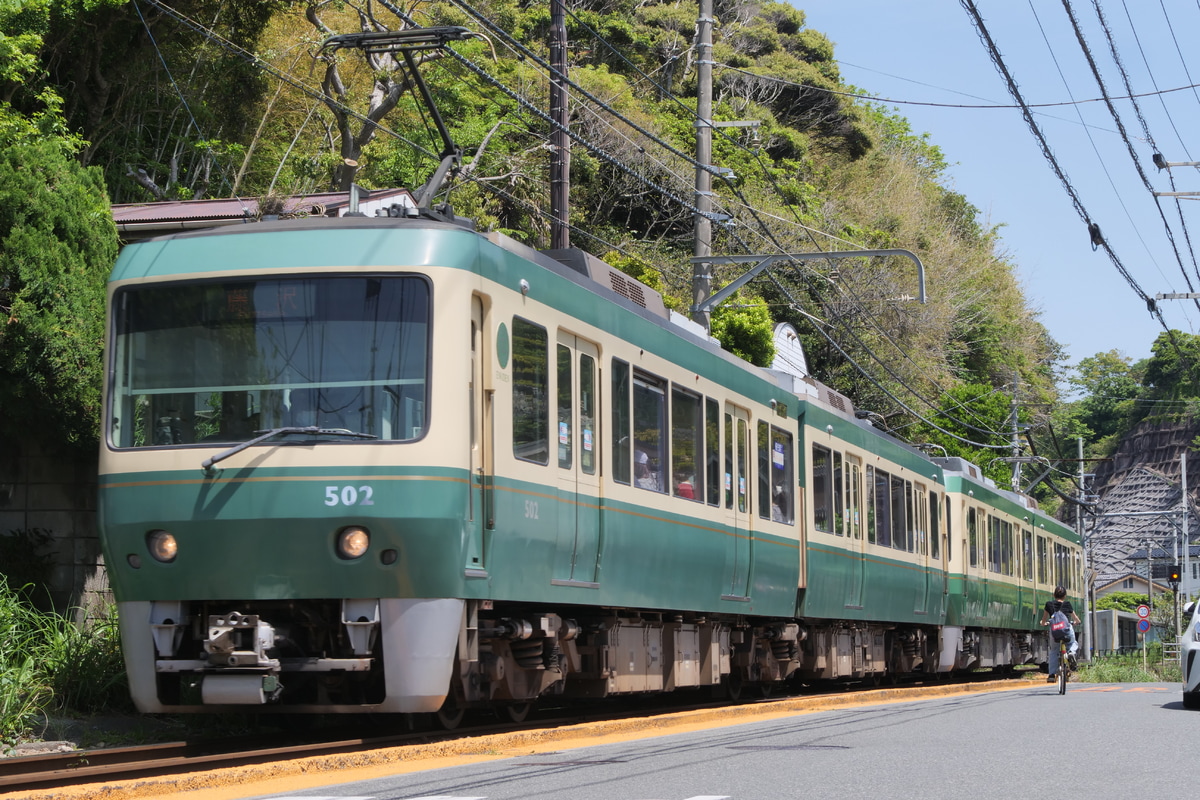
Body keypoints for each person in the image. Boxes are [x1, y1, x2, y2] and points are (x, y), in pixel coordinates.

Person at [1040, 584, 1081, 682]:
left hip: (1054, 631)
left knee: (1054, 651)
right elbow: (1076, 618)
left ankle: (1051, 675)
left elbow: (1043, 620)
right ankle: (1071, 653)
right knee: (1072, 643)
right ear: (1065, 596)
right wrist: (1076, 622)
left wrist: (1043, 623)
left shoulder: (1049, 604)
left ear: (1054, 595)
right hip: (1066, 630)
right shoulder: (1067, 604)